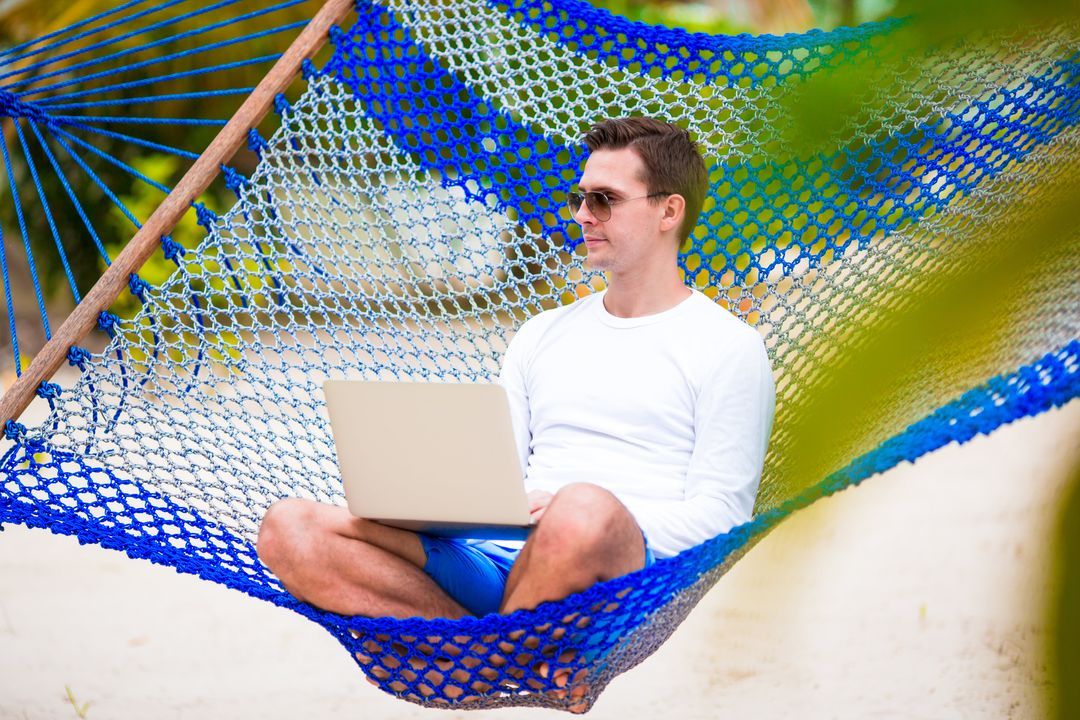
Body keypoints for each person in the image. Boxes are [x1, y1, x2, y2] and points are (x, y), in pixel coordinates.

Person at [256, 117, 775, 624]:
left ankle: (495, 651)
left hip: (620, 577)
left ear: (669, 211)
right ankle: (476, 661)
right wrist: (428, 503)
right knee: (289, 527)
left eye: (604, 200)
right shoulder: (542, 333)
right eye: (580, 199)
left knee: (583, 509)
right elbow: (497, 480)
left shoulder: (728, 347)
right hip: (494, 561)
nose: (583, 216)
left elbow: (722, 520)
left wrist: (570, 516)